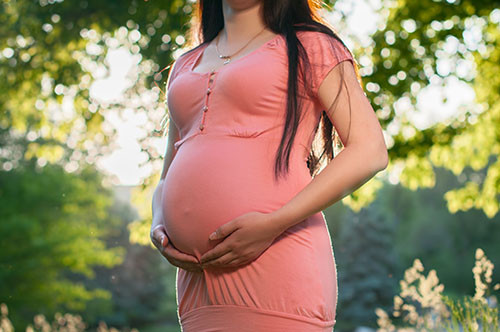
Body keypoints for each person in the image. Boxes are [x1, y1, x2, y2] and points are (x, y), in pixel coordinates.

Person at [150, 0, 388, 331]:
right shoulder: (184, 65)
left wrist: (273, 224)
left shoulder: (312, 46)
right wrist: (159, 222)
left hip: (278, 260)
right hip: (198, 279)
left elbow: (370, 149)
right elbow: (168, 172)